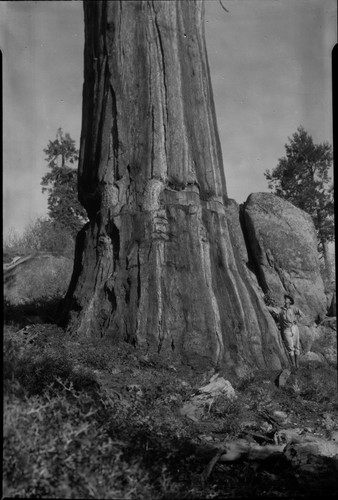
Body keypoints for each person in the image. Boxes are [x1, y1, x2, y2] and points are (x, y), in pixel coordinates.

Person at [268, 294, 308, 370]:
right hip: (286, 330)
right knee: (290, 348)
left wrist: (298, 320)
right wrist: (264, 306)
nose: (285, 299)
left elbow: (302, 314)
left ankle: (297, 364)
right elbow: (272, 309)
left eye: (287, 298)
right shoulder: (281, 309)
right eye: (285, 298)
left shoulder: (293, 308)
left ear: (290, 301)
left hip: (294, 328)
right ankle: (293, 365)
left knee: (297, 347)